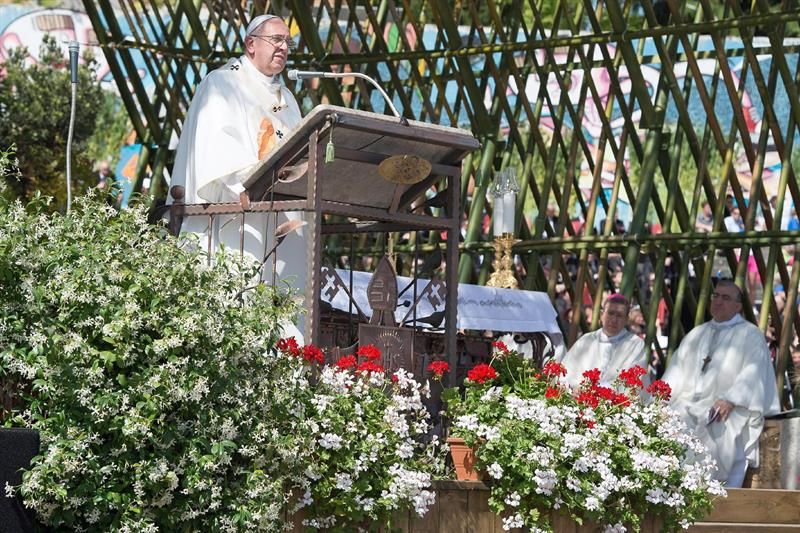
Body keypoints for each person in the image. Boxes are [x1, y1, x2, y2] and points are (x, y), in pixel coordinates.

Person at [169, 14, 307, 337]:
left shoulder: (288, 100)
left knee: (285, 316)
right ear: (250, 45)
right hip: (237, 221)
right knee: (238, 308)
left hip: (281, 221)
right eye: (277, 40)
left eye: (288, 42)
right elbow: (217, 148)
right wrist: (244, 186)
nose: (284, 47)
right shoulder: (223, 84)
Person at [663, 280, 779, 487]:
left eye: (725, 298)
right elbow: (675, 372)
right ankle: (673, 489)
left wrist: (731, 399)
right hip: (689, 404)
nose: (718, 301)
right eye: (715, 296)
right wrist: (661, 402)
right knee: (671, 420)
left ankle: (710, 492)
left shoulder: (750, 334)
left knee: (715, 426)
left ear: (738, 306)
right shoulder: (696, 334)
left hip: (729, 407)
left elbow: (753, 372)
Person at [556, 294, 648, 389]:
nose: (614, 319)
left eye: (619, 315)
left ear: (626, 320)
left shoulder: (634, 344)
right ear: (601, 315)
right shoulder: (586, 340)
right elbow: (566, 374)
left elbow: (632, 384)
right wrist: (577, 389)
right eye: (610, 313)